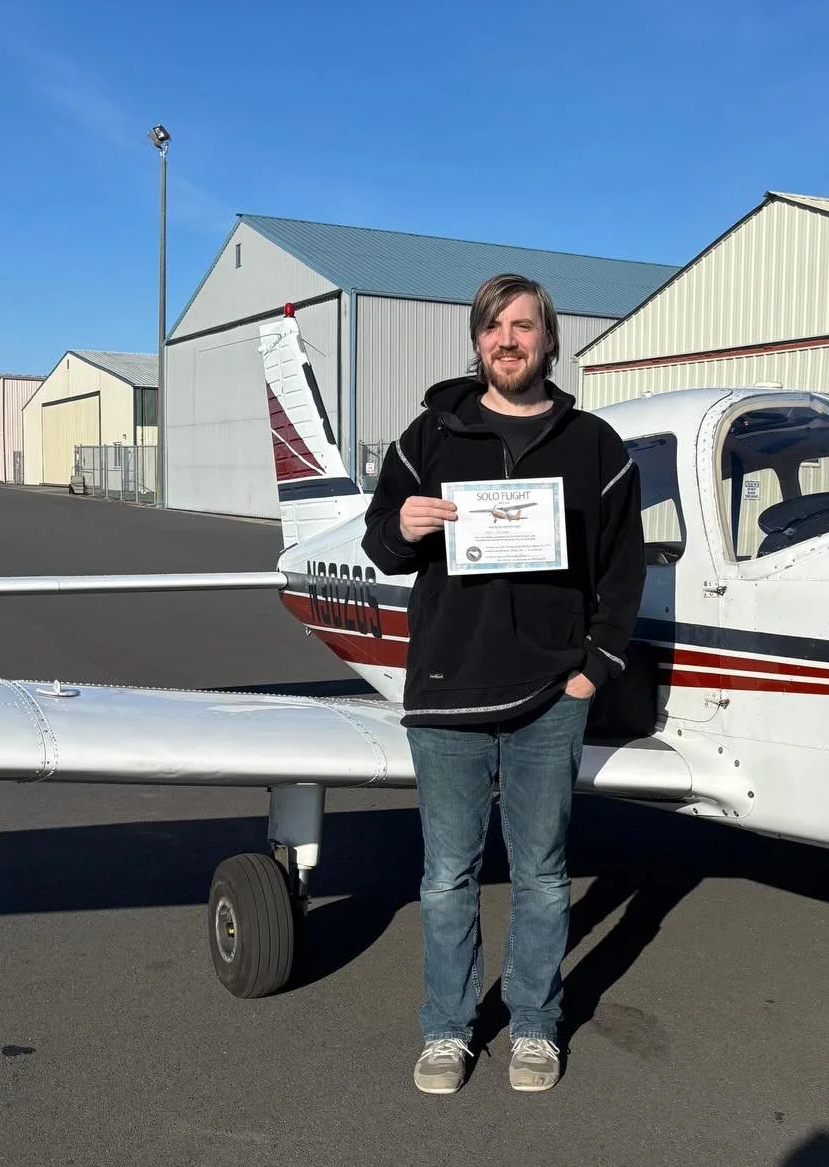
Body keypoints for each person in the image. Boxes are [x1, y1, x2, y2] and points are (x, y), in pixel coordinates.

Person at [362, 273, 645, 1096]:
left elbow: (621, 573)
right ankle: (448, 1031)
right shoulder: (430, 437)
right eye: (494, 327)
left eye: (524, 326)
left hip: (551, 698)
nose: (508, 340)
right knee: (447, 877)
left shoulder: (594, 445)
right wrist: (405, 526)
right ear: (478, 342)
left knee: (543, 876)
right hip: (447, 693)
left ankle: (534, 1026)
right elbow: (384, 542)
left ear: (550, 342)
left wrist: (593, 672)